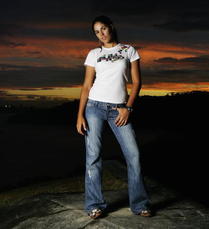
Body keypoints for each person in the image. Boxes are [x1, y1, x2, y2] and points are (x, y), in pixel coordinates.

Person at [76, 15, 152, 219]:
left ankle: (139, 204)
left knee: (134, 155)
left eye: (103, 28)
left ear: (111, 27)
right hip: (94, 107)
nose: (101, 34)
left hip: (120, 109)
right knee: (93, 156)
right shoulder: (94, 54)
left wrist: (128, 108)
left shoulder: (129, 50)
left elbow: (137, 83)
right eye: (96, 32)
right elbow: (86, 86)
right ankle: (94, 204)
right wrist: (79, 115)